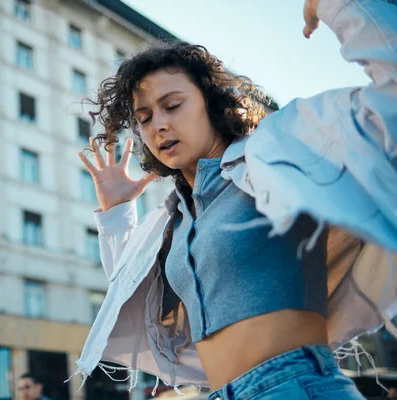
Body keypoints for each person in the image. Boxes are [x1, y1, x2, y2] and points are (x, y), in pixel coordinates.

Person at [71, 0, 397, 399]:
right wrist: (118, 214)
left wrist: (338, 4)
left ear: (211, 102)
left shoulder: (273, 155)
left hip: (293, 386)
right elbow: (136, 301)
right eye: (144, 117)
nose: (159, 125)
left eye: (172, 105)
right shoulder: (177, 217)